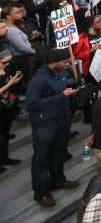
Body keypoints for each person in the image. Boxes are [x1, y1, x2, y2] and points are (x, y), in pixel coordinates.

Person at [25, 47, 81, 207]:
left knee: (59, 152)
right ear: (53, 63)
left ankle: (58, 180)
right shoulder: (38, 80)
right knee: (41, 158)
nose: (67, 65)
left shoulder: (60, 73)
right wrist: (61, 96)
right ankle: (41, 192)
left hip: (61, 120)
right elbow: (32, 103)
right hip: (44, 124)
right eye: (64, 62)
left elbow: (63, 86)